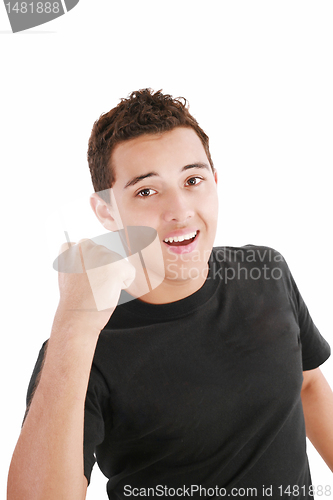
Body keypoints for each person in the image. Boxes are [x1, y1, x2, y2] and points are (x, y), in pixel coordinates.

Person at [7, 89, 333, 500]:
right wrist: (74, 322)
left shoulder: (267, 273)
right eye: (147, 191)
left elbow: (307, 385)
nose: (179, 210)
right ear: (107, 211)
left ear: (214, 183)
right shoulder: (80, 348)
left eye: (192, 180)